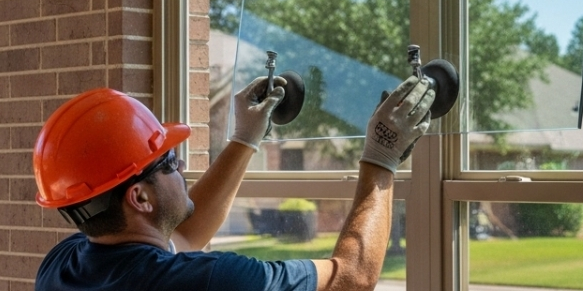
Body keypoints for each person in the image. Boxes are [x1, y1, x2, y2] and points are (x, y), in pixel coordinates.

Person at [33, 74, 435, 291]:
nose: (183, 164)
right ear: (138, 197)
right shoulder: (210, 280)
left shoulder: (61, 267)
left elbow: (183, 234)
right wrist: (382, 157)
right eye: (168, 161)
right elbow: (351, 277)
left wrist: (244, 141)